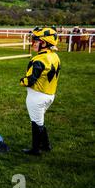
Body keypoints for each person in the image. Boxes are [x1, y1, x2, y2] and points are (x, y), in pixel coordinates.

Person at [20, 27, 61, 156]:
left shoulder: (39, 59)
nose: (33, 43)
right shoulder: (55, 56)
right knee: (40, 121)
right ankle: (46, 145)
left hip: (37, 95)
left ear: (44, 43)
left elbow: (30, 80)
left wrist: (22, 81)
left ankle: (35, 149)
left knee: (36, 122)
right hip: (50, 95)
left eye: (36, 40)